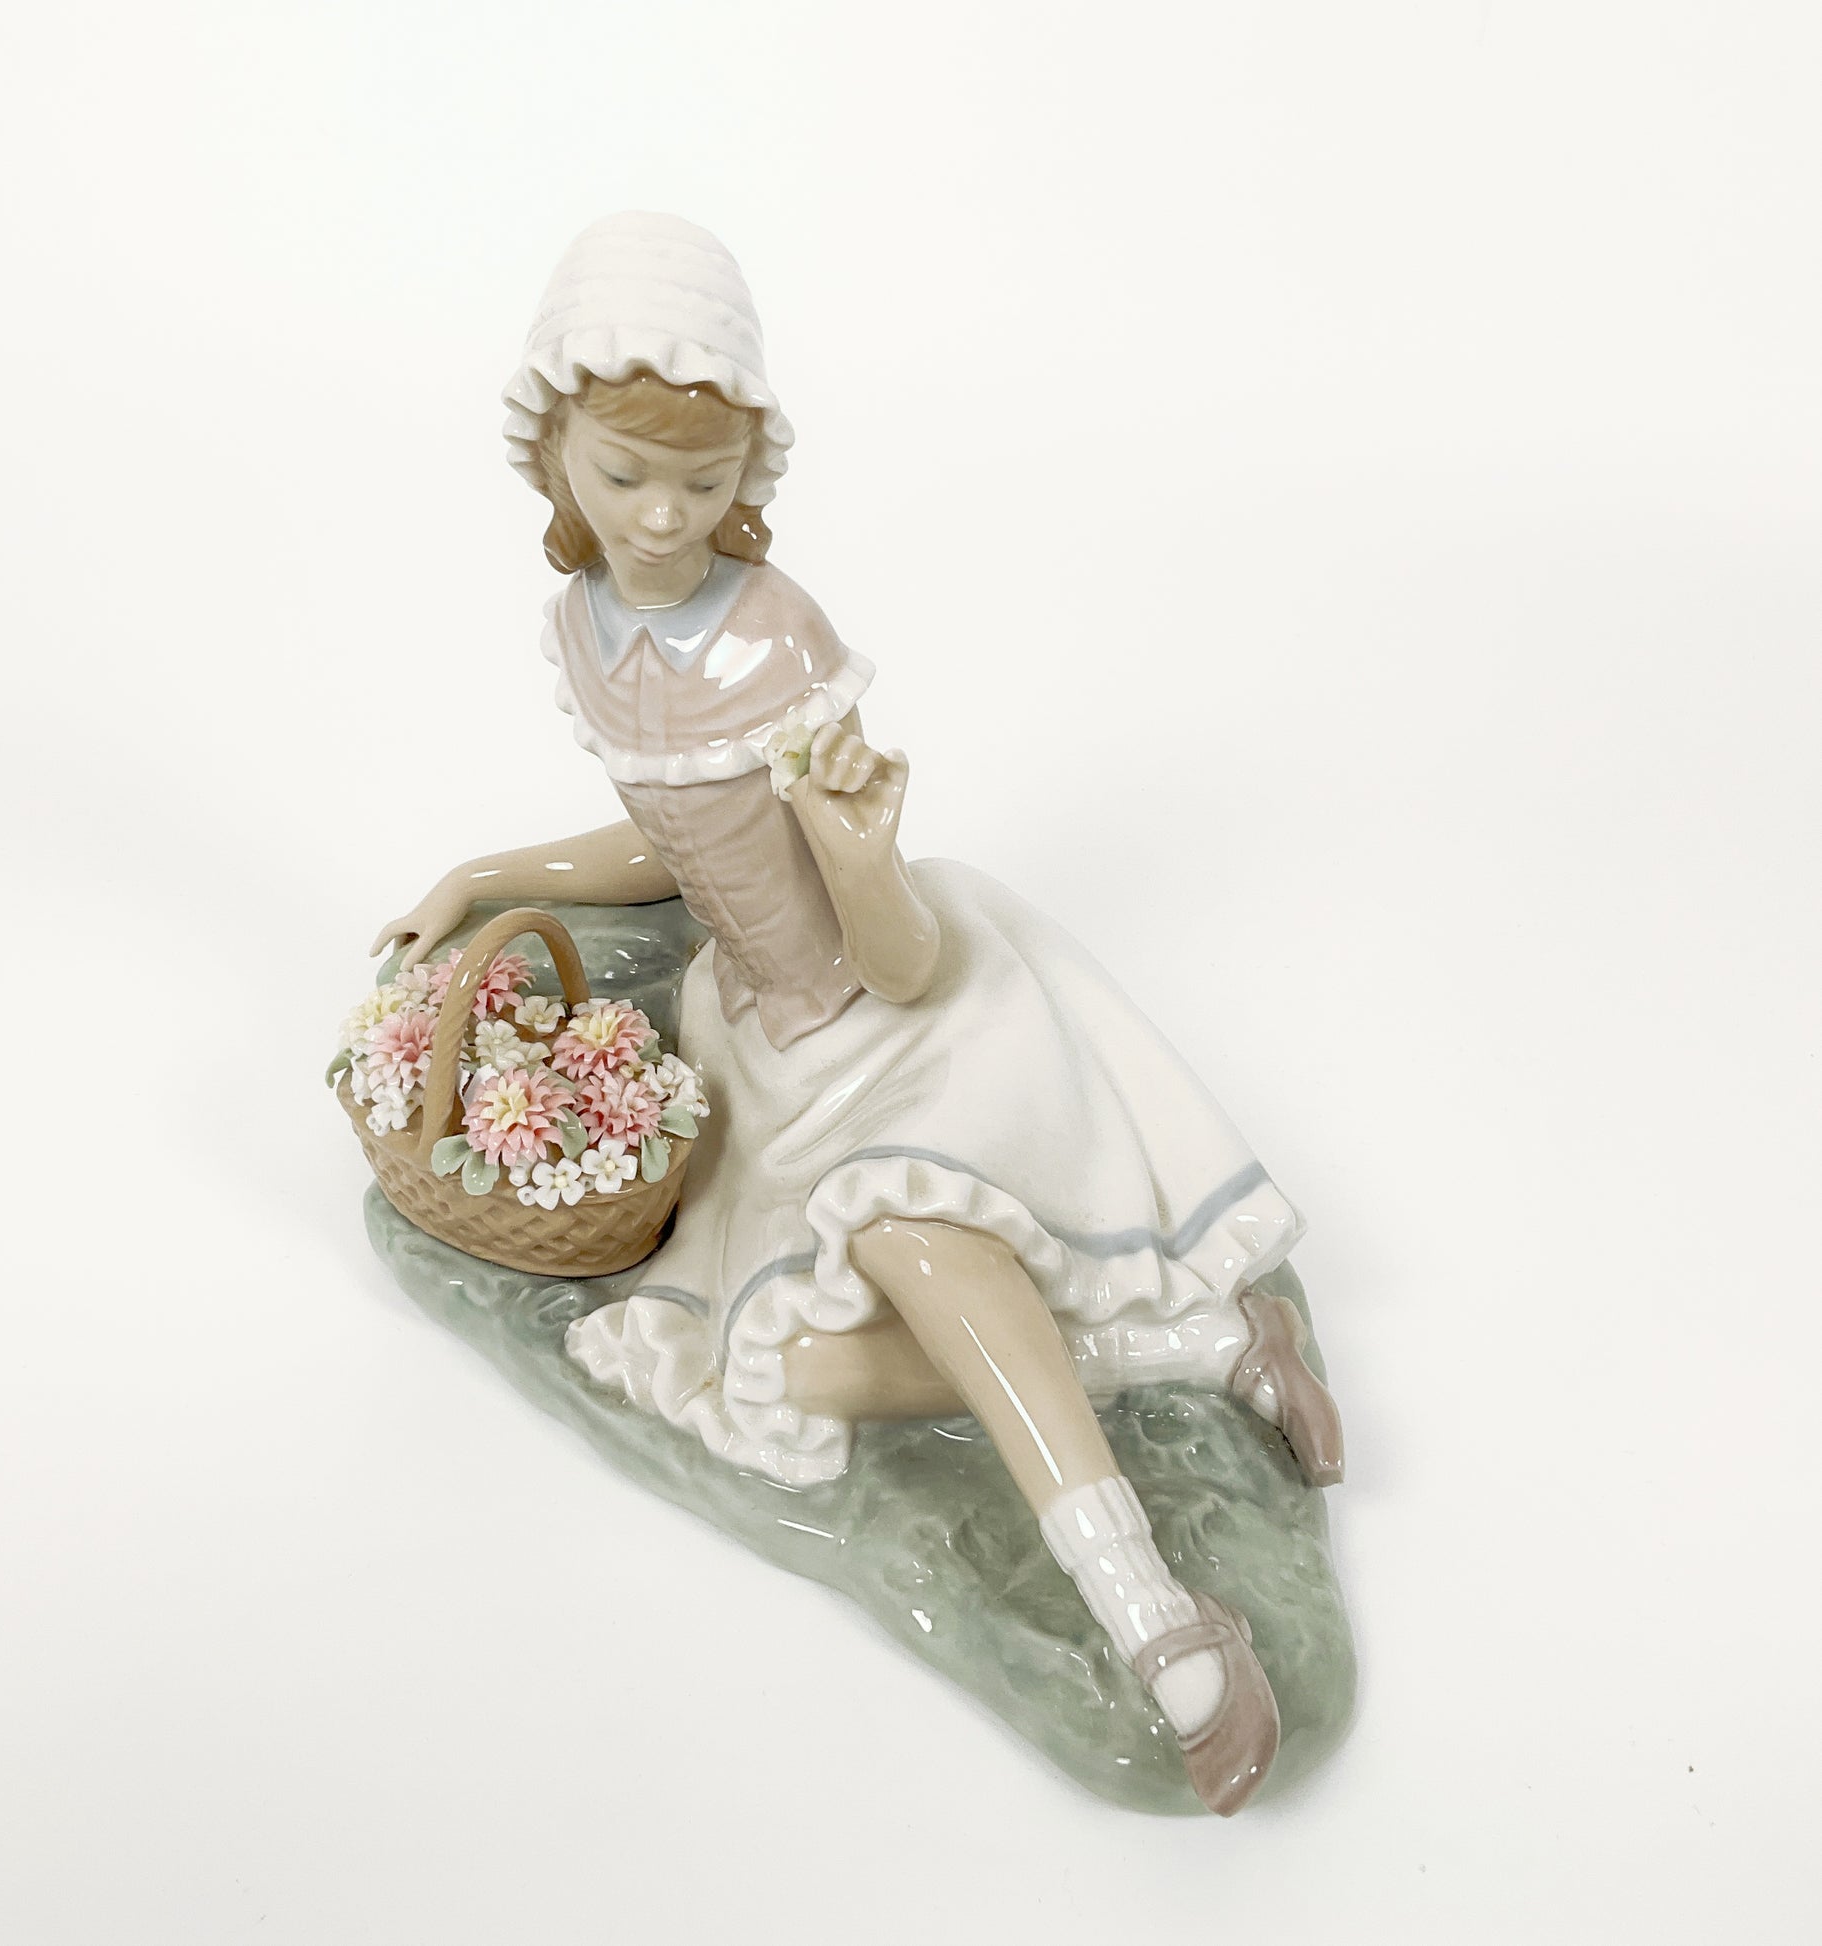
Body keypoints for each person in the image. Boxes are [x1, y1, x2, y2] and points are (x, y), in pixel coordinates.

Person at [374, 212, 1343, 1816]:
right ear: (552, 456)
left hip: (897, 1004)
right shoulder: (583, 629)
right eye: (624, 474)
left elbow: (890, 958)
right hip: (755, 1036)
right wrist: (490, 873)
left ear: (751, 467)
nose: (663, 515)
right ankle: (1205, 1342)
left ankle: (1150, 1607)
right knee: (791, 1375)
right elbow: (671, 839)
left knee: (916, 1240)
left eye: (702, 480)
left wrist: (860, 849)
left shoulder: (776, 636)